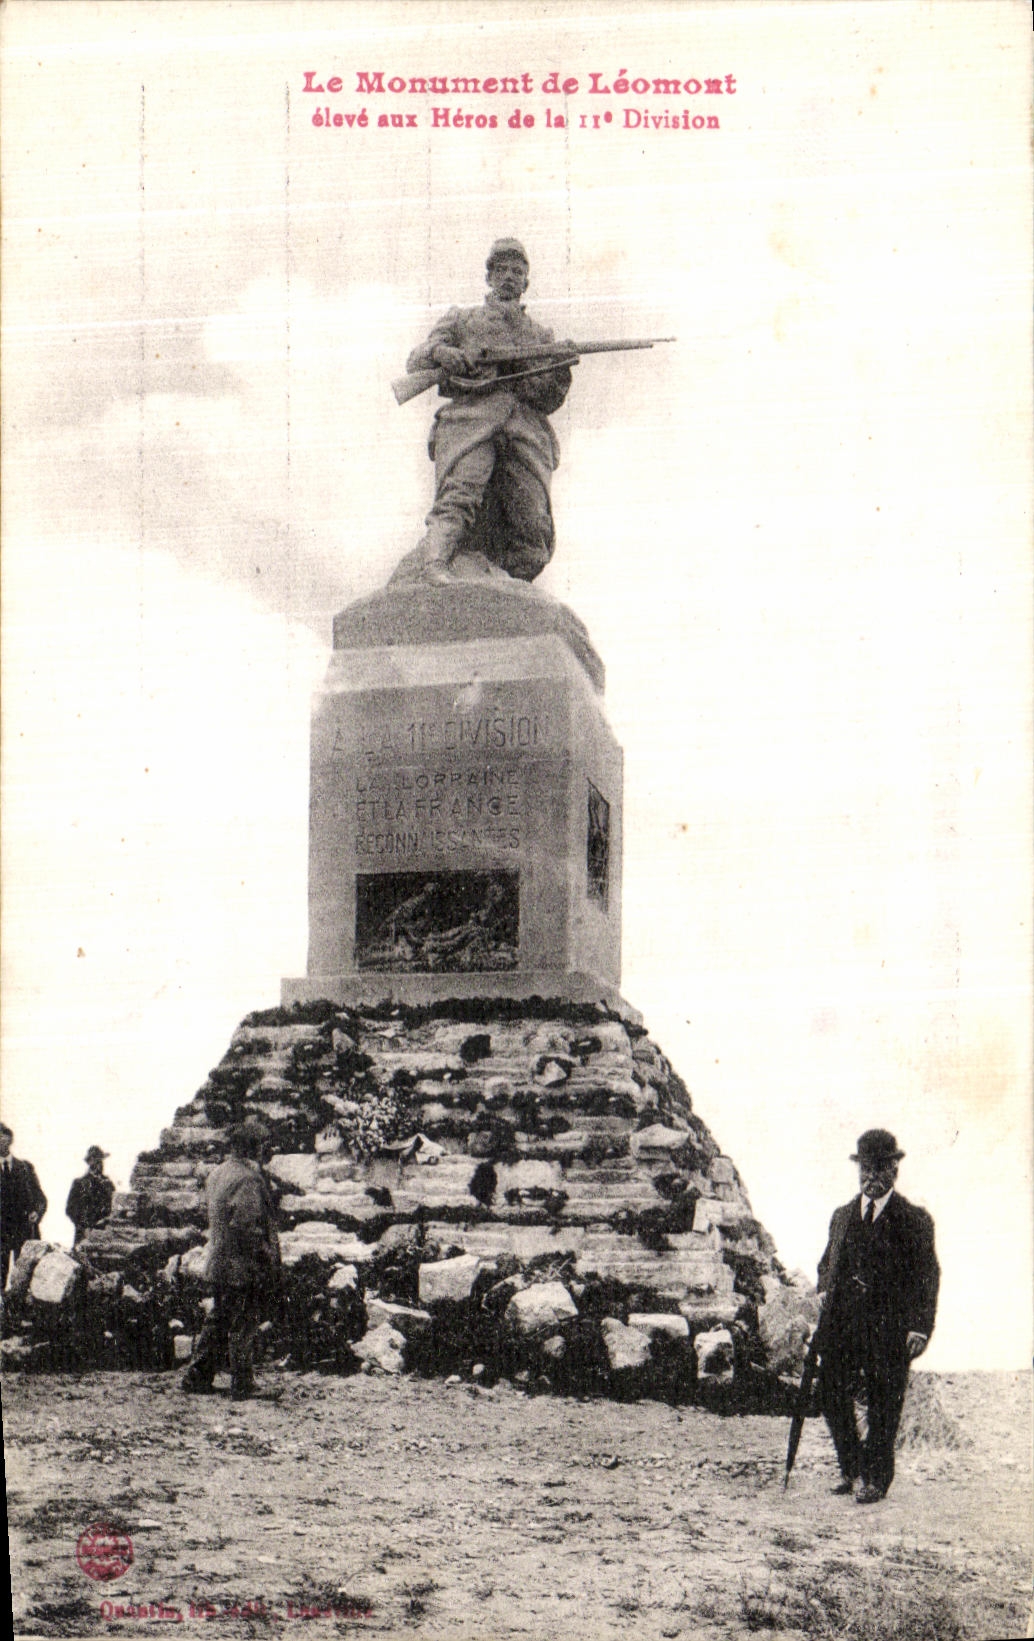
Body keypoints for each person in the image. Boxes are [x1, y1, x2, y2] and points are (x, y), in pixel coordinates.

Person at [390, 238, 575, 584]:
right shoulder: (462, 319)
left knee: (533, 525)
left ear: (526, 283)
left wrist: (561, 369)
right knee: (461, 493)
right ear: (489, 277)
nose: (509, 277)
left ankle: (510, 588)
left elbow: (546, 400)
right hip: (470, 423)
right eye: (501, 270)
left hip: (523, 431)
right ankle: (435, 564)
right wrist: (441, 353)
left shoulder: (540, 335)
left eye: (517, 271)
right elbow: (416, 360)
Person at [816, 1128, 939, 1503]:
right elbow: (826, 1263)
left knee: (885, 1402)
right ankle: (851, 1466)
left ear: (894, 1171)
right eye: (865, 1169)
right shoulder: (841, 1216)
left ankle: (876, 1478)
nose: (871, 1177)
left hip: (890, 1327)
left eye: (879, 1169)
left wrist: (920, 1326)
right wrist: (823, 1289)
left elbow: (928, 1277)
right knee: (830, 1388)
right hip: (844, 1324)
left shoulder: (915, 1220)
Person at [181, 1117, 281, 1401]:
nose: (264, 1150)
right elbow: (246, 1226)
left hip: (219, 1261)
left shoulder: (218, 1173)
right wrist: (266, 1255)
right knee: (244, 1321)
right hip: (241, 1265)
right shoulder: (248, 1179)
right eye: (262, 1145)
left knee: (219, 1319)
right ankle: (242, 1382)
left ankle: (197, 1376)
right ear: (252, 1148)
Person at [0, 1122, 47, 1286]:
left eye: (2, 1136)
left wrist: (37, 1213)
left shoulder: (25, 1168)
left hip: (23, 1231)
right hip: (1, 1234)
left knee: (24, 1278)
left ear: (10, 1139)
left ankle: (18, 1309)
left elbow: (41, 1199)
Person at [66, 1146, 116, 1246]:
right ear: (90, 1163)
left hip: (105, 1232)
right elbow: (70, 1209)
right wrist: (84, 1226)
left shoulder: (108, 1184)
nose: (100, 1165)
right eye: (97, 1161)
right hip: (85, 1233)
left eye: (101, 1161)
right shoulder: (80, 1183)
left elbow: (114, 1206)